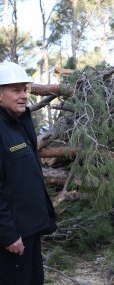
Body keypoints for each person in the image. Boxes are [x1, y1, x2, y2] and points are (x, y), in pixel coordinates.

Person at [0, 61, 57, 285]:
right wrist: (8, 234)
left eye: (25, 89)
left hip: (31, 230)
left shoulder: (21, 122)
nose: (23, 95)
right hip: (12, 236)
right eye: (16, 90)